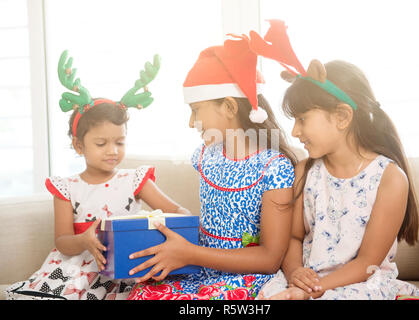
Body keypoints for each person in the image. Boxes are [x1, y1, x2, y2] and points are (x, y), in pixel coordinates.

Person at [250, 20, 419, 300]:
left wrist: (313, 291)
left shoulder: (389, 178)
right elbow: (293, 238)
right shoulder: (305, 172)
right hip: (307, 281)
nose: (295, 132)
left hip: (359, 282)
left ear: (342, 117)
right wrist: (295, 273)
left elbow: (367, 262)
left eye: (303, 119)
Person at [5, 51, 189, 300]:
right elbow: (62, 241)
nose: (113, 151)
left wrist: (176, 223)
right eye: (101, 143)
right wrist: (84, 240)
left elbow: (177, 211)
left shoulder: (134, 179)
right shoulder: (67, 188)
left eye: (120, 142)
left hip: (125, 265)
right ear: (79, 146)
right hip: (79, 268)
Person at [126, 35, 297, 300]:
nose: (191, 121)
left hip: (247, 278)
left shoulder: (275, 168)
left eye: (196, 109)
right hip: (202, 270)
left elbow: (269, 258)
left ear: (228, 107)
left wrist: (189, 253)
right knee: (142, 292)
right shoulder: (206, 156)